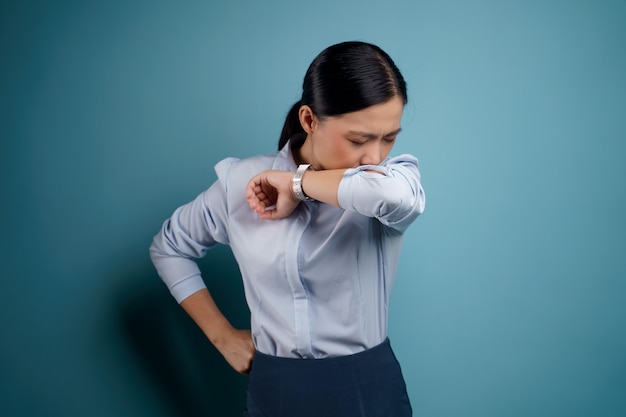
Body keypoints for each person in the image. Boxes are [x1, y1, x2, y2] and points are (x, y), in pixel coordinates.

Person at [150, 41, 426, 417]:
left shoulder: (391, 180)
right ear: (310, 120)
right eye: (359, 139)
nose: (374, 157)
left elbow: (387, 194)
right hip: (274, 386)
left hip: (365, 386)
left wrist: (297, 184)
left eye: (389, 138)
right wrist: (222, 336)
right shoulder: (242, 182)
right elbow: (169, 248)